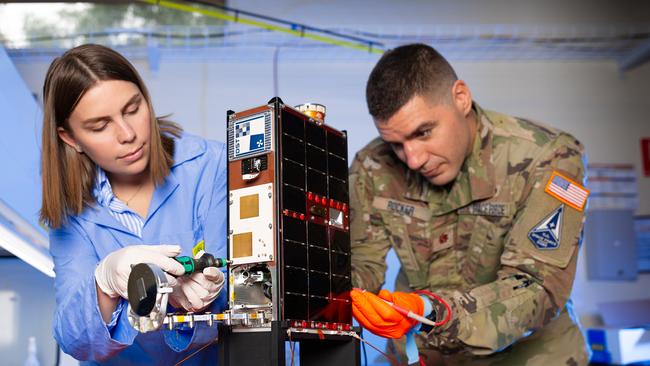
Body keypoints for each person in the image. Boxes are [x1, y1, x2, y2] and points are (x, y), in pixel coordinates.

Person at [349, 43, 590, 365]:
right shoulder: (372, 166)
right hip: (425, 353)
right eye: (396, 144)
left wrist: (431, 310)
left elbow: (537, 286)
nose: (414, 159)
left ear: (460, 98)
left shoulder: (548, 157)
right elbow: (362, 264)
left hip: (529, 354)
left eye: (423, 132)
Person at [40, 44, 227, 365]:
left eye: (132, 109)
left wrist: (200, 296)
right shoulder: (70, 216)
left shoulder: (212, 166)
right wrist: (104, 283)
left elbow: (247, 291)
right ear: (70, 138)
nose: (127, 134)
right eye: (100, 126)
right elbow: (74, 340)